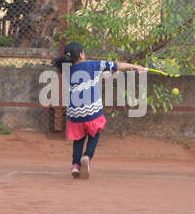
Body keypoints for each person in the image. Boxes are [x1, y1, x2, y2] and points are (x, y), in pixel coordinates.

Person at [52, 42, 146, 179]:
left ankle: (75, 166)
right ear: (81, 54)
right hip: (91, 112)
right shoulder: (93, 65)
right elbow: (118, 65)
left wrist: (101, 75)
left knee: (78, 139)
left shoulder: (67, 70)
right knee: (95, 133)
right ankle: (87, 156)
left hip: (74, 114)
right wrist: (137, 67)